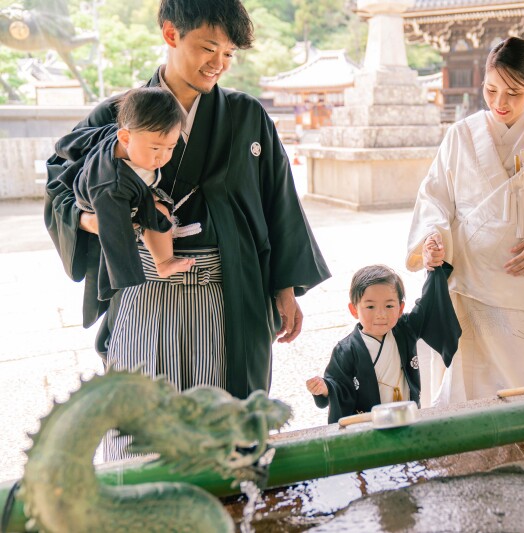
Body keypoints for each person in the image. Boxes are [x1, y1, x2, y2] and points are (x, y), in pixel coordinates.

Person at [44, 0, 330, 403]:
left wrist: (284, 287)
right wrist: (93, 222)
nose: (219, 63)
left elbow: (278, 201)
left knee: (225, 419)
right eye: (208, 48)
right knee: (141, 419)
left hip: (227, 287)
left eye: (228, 53)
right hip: (143, 287)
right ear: (171, 34)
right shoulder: (118, 113)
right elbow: (59, 182)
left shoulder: (247, 115)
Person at [406, 37, 524, 405]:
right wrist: (432, 238)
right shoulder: (460, 136)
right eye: (491, 90)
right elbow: (435, 197)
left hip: (523, 290)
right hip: (471, 287)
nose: (500, 103)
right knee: (467, 388)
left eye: (514, 93)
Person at [56, 87, 196, 297]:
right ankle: (164, 262)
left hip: (122, 184)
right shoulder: (111, 186)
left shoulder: (124, 134)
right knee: (159, 213)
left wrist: (63, 146)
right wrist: (118, 279)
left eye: (170, 148)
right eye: (156, 148)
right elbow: (115, 234)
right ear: (125, 138)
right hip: (100, 201)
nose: (163, 157)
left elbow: (81, 140)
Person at [306, 242, 461, 423]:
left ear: (401, 307)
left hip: (407, 414)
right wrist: (325, 388)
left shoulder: (405, 329)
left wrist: (434, 270)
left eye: (389, 306)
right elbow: (338, 384)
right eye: (370, 306)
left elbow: (428, 305)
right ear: (354, 309)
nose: (381, 314)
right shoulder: (346, 349)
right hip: (368, 422)